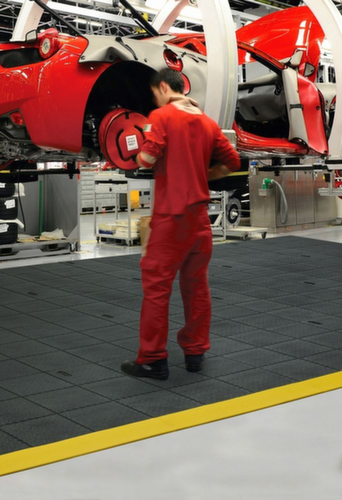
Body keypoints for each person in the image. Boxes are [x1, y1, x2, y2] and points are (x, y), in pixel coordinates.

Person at [121, 68, 241, 380]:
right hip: (199, 220)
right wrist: (204, 175)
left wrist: (135, 158)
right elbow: (233, 161)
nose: (154, 101)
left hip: (170, 217)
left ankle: (152, 359)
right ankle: (195, 352)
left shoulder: (161, 116)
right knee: (197, 286)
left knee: (157, 289)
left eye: (154, 94)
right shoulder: (207, 121)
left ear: (163, 87)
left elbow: (147, 158)